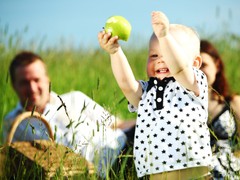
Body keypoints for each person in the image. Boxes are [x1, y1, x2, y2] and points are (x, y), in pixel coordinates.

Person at [98, 11, 213, 179]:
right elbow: (127, 85)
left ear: (195, 63)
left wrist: (164, 36)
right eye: (154, 55)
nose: (160, 59)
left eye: (168, 53)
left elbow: (180, 68)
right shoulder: (147, 93)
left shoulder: (193, 83)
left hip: (193, 174)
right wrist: (115, 52)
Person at [3, 51, 135, 177]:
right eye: (24, 83)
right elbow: (12, 167)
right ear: (14, 85)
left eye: (36, 80)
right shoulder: (14, 124)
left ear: (47, 79)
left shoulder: (74, 99)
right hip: (90, 173)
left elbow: (118, 124)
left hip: (123, 146)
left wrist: (147, 120)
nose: (32, 88)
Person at [200, 40, 240, 179]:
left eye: (203, 65)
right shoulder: (179, 106)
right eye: (193, 65)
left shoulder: (232, 103)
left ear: (216, 66)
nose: (198, 70)